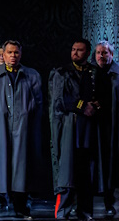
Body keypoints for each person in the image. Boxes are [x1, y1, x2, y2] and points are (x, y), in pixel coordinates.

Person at [0, 40, 49, 219]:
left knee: (21, 170)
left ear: (20, 54)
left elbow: (38, 104)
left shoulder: (31, 75)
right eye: (9, 52)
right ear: (3, 54)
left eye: (16, 52)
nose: (13, 56)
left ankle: (21, 207)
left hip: (22, 129)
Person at [49, 39, 98, 220]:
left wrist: (95, 105)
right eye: (73, 49)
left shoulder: (93, 73)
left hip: (88, 128)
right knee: (67, 171)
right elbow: (60, 100)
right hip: (68, 127)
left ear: (87, 53)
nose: (75, 53)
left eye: (80, 50)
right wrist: (83, 106)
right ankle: (63, 211)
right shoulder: (62, 73)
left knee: (86, 170)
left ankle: (85, 211)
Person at [92, 40, 119, 218]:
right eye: (98, 53)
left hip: (112, 126)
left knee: (110, 164)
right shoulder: (91, 73)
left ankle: (110, 202)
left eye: (105, 53)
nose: (101, 56)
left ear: (111, 54)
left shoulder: (117, 74)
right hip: (94, 125)